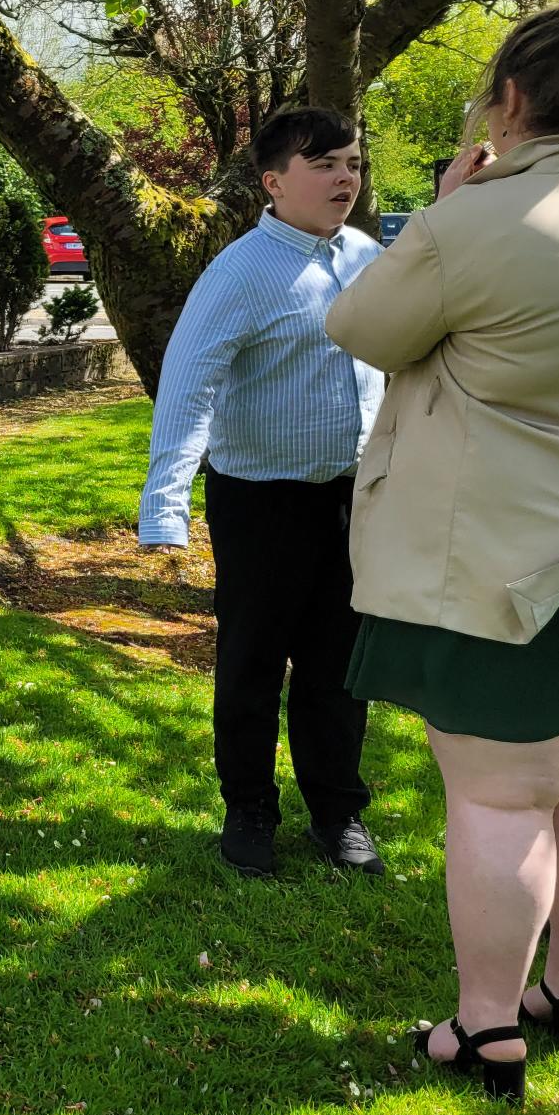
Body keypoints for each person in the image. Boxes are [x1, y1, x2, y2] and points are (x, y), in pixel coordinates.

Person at [327, 0, 559, 1104]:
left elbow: (361, 324)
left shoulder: (481, 222)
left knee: (502, 799)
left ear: (510, 102)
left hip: (501, 557)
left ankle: (488, 1026)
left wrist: (447, 213)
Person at [137, 105, 386, 879]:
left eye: (351, 162)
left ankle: (337, 813)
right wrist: (165, 507)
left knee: (339, 664)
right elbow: (188, 386)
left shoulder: (371, 259)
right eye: (325, 165)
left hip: (353, 498)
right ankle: (248, 806)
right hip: (260, 500)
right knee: (252, 659)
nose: (344, 177)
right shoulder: (240, 271)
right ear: (274, 181)